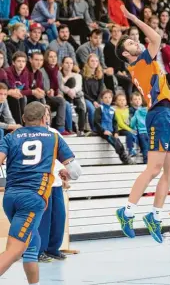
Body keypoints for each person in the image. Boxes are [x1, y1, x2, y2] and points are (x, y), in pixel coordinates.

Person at [115, 5, 170, 243]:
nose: (136, 42)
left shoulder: (144, 66)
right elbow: (155, 37)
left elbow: (164, 93)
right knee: (154, 168)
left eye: (134, 41)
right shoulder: (141, 62)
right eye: (131, 44)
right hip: (159, 116)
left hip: (166, 112)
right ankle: (127, 211)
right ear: (126, 54)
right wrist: (134, 17)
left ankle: (154, 215)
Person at [0, 101, 82, 283]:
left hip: (10, 197)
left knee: (31, 245)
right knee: (14, 251)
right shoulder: (53, 137)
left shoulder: (11, 136)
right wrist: (67, 173)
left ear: (23, 118)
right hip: (32, 198)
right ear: (45, 118)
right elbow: (76, 171)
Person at [38, 105, 68, 262]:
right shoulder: (30, 134)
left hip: (55, 182)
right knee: (44, 218)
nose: (47, 116)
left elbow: (64, 155)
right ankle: (38, 250)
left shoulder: (55, 133)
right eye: (44, 114)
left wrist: (64, 172)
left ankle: (53, 248)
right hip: (40, 183)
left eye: (48, 113)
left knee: (59, 216)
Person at [94, 89, 133, 165]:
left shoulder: (112, 109)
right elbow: (96, 122)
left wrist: (116, 132)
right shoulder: (99, 109)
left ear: (112, 99)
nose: (108, 99)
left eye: (109, 97)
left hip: (111, 131)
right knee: (116, 143)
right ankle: (125, 159)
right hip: (104, 131)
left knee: (119, 142)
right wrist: (103, 131)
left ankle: (125, 158)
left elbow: (115, 122)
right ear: (102, 99)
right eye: (105, 97)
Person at [60, 56, 86, 136]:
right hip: (63, 96)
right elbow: (60, 86)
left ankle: (81, 130)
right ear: (62, 64)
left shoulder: (77, 75)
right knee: (71, 80)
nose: (69, 65)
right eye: (67, 63)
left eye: (71, 63)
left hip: (75, 96)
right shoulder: (59, 75)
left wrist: (72, 91)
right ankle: (71, 127)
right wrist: (68, 91)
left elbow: (78, 87)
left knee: (81, 107)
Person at [82, 53, 104, 133]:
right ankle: (94, 129)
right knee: (91, 108)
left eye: (96, 61)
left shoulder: (100, 74)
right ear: (88, 62)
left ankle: (104, 128)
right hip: (86, 98)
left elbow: (101, 90)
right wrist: (93, 101)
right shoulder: (83, 74)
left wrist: (97, 101)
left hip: (97, 98)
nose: (94, 63)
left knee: (103, 108)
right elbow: (82, 91)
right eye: (92, 61)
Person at [115, 92, 136, 157]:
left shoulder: (127, 110)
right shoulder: (116, 111)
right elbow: (120, 124)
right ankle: (130, 150)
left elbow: (130, 119)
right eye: (120, 100)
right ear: (116, 102)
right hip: (121, 129)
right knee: (129, 134)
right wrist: (130, 130)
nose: (122, 102)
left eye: (123, 100)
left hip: (128, 127)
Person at [130, 92, 148, 164]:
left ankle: (146, 162)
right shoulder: (148, 110)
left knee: (145, 149)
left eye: (139, 99)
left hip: (141, 132)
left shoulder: (137, 112)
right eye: (135, 99)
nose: (137, 100)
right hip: (150, 132)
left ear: (142, 101)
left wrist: (132, 127)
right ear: (131, 101)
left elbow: (132, 123)